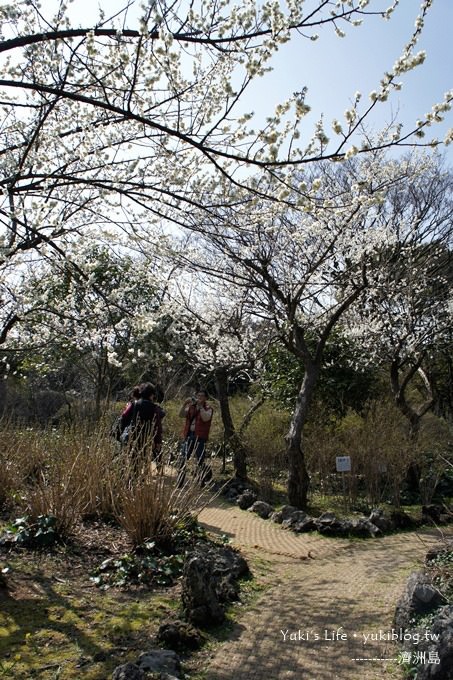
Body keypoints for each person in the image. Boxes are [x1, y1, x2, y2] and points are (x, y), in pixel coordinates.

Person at [122, 382, 163, 475]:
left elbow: (129, 418)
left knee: (132, 461)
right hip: (145, 438)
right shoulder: (154, 407)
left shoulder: (136, 403)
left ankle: (130, 481)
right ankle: (139, 481)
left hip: (133, 435)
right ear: (151, 395)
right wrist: (157, 441)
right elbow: (157, 426)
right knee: (142, 460)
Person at [177, 389, 213, 487]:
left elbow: (206, 418)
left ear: (206, 398)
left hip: (200, 437)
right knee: (184, 457)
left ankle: (201, 482)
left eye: (202, 396)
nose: (199, 398)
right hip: (189, 435)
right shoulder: (191, 407)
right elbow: (181, 415)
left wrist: (201, 407)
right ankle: (179, 481)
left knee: (200, 459)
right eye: (198, 396)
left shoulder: (208, 408)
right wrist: (185, 404)